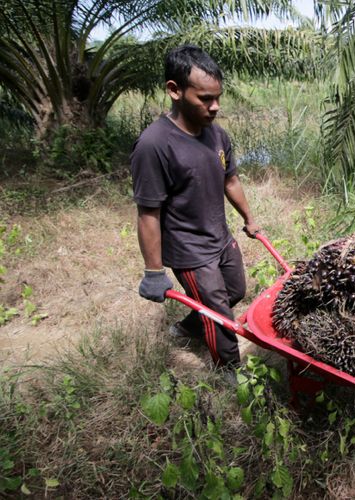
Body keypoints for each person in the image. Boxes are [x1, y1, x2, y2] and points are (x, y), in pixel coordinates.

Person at [130, 44, 260, 374]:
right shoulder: (154, 145)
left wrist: (249, 218)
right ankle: (228, 371)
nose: (215, 107)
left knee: (235, 290)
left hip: (219, 236)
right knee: (218, 312)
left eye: (218, 97)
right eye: (204, 99)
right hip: (189, 249)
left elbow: (230, 180)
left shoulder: (216, 134)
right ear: (174, 90)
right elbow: (148, 213)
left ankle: (189, 326)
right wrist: (154, 272)